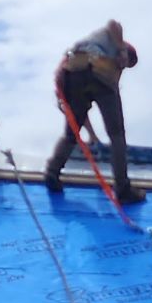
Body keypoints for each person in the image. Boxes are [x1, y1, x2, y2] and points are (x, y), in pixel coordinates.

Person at [45, 19, 141, 201]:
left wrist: (92, 135)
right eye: (125, 65)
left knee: (71, 133)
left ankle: (52, 172)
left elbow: (79, 115)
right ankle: (123, 189)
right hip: (97, 71)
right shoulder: (114, 42)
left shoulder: (82, 49)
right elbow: (114, 23)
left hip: (73, 74)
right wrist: (121, 50)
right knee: (117, 134)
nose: (122, 68)